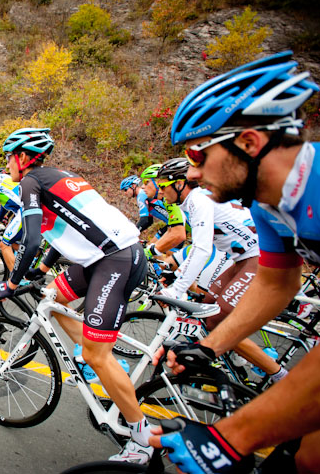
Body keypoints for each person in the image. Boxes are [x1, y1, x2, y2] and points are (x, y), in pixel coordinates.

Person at [148, 51, 320, 473]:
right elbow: (276, 284)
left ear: (248, 143)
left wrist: (230, 437)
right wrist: (208, 347)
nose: (192, 172)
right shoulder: (268, 204)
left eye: (197, 154)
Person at [0, 127, 151, 463]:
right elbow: (70, 229)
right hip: (106, 255)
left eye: (8, 157)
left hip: (113, 259)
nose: (7, 164)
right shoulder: (61, 176)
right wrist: (43, 270)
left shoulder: (30, 182)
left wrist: (13, 283)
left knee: (96, 354)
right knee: (51, 298)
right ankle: (93, 354)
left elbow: (31, 240)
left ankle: (142, 439)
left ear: (22, 157)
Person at [155, 157, 286, 379]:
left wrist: (177, 289)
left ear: (179, 184)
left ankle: (281, 376)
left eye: (163, 185)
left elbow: (202, 249)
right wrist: (177, 274)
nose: (160, 192)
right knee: (206, 308)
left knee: (217, 321)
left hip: (260, 256)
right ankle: (235, 360)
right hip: (243, 258)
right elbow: (198, 248)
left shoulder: (198, 201)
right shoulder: (192, 202)